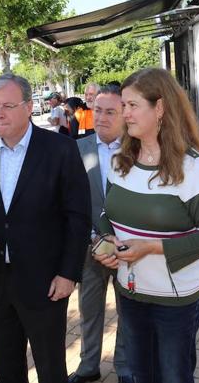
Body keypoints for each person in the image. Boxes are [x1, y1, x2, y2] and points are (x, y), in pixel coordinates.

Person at [93, 68, 199, 383]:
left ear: (161, 108)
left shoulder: (193, 170)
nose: (124, 114)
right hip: (130, 293)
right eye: (123, 106)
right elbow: (105, 213)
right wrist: (104, 241)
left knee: (174, 377)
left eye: (132, 105)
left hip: (176, 302)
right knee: (141, 375)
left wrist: (152, 247)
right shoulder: (119, 162)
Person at [0, 74, 91, 383]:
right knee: (6, 369)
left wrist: (68, 273)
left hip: (45, 283)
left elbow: (78, 216)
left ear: (29, 107)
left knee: (50, 370)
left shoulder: (60, 149)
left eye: (7, 105)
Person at [69, 85, 131, 383]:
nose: (102, 118)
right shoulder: (76, 149)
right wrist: (94, 237)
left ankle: (125, 367)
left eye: (110, 112)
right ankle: (88, 366)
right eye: (98, 111)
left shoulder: (139, 150)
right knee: (89, 311)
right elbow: (70, 202)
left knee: (128, 312)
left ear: (124, 114)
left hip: (129, 250)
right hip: (89, 246)